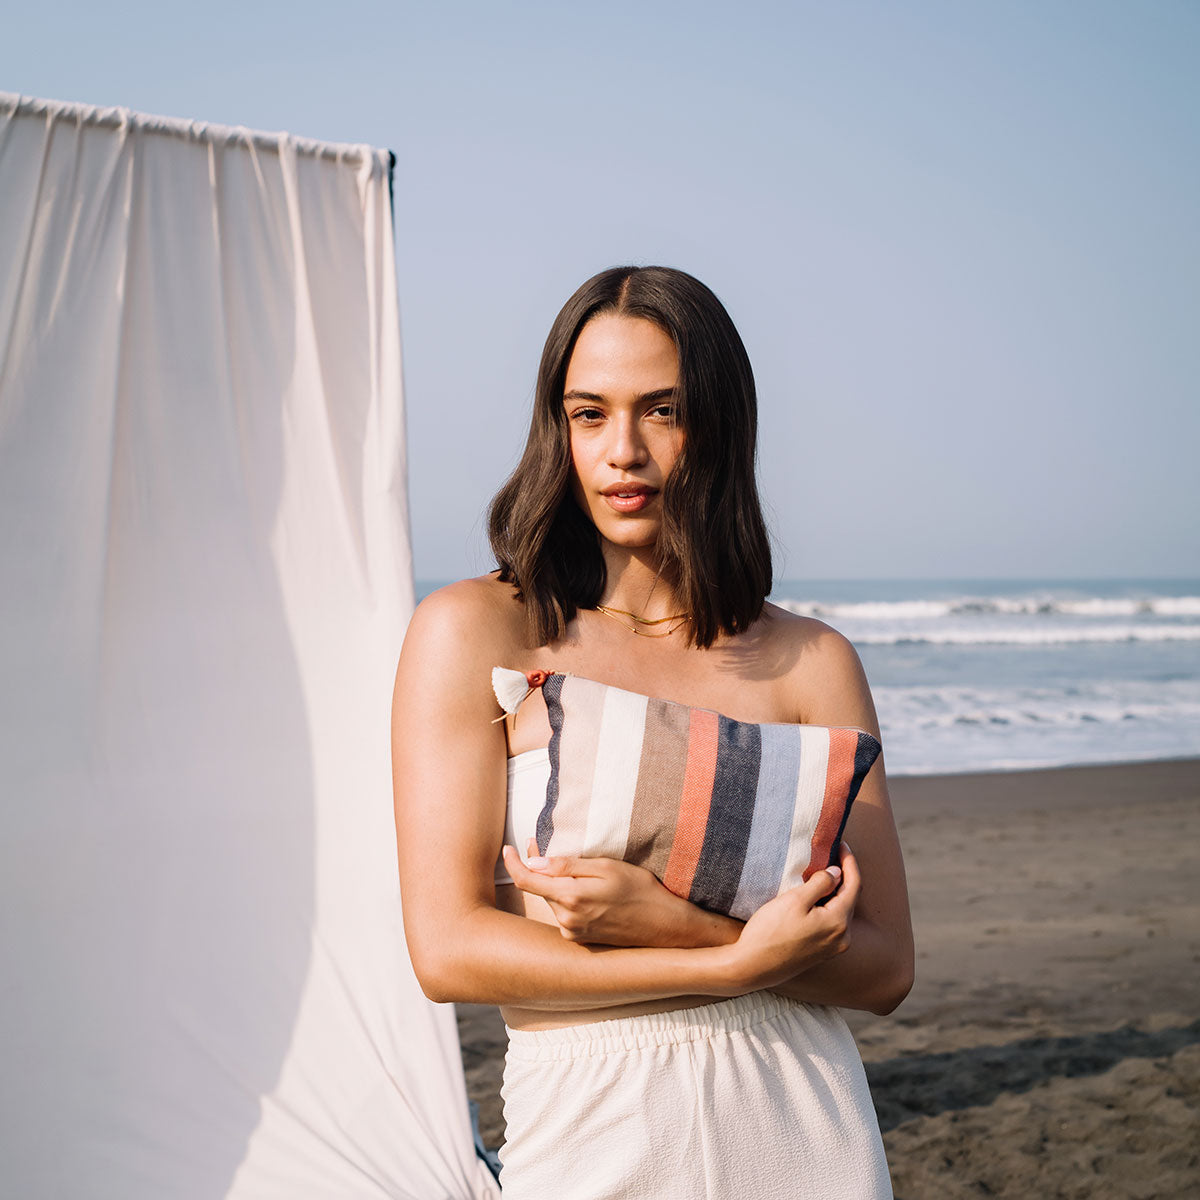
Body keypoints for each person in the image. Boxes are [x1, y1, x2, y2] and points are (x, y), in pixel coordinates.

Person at [392, 265, 913, 1199]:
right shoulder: (476, 632)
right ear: (557, 429)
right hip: (594, 1129)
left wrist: (680, 930)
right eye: (589, 413)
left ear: (717, 425)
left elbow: (882, 967)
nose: (622, 450)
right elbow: (448, 948)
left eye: (661, 412)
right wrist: (738, 959)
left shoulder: (811, 660)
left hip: (801, 1121)